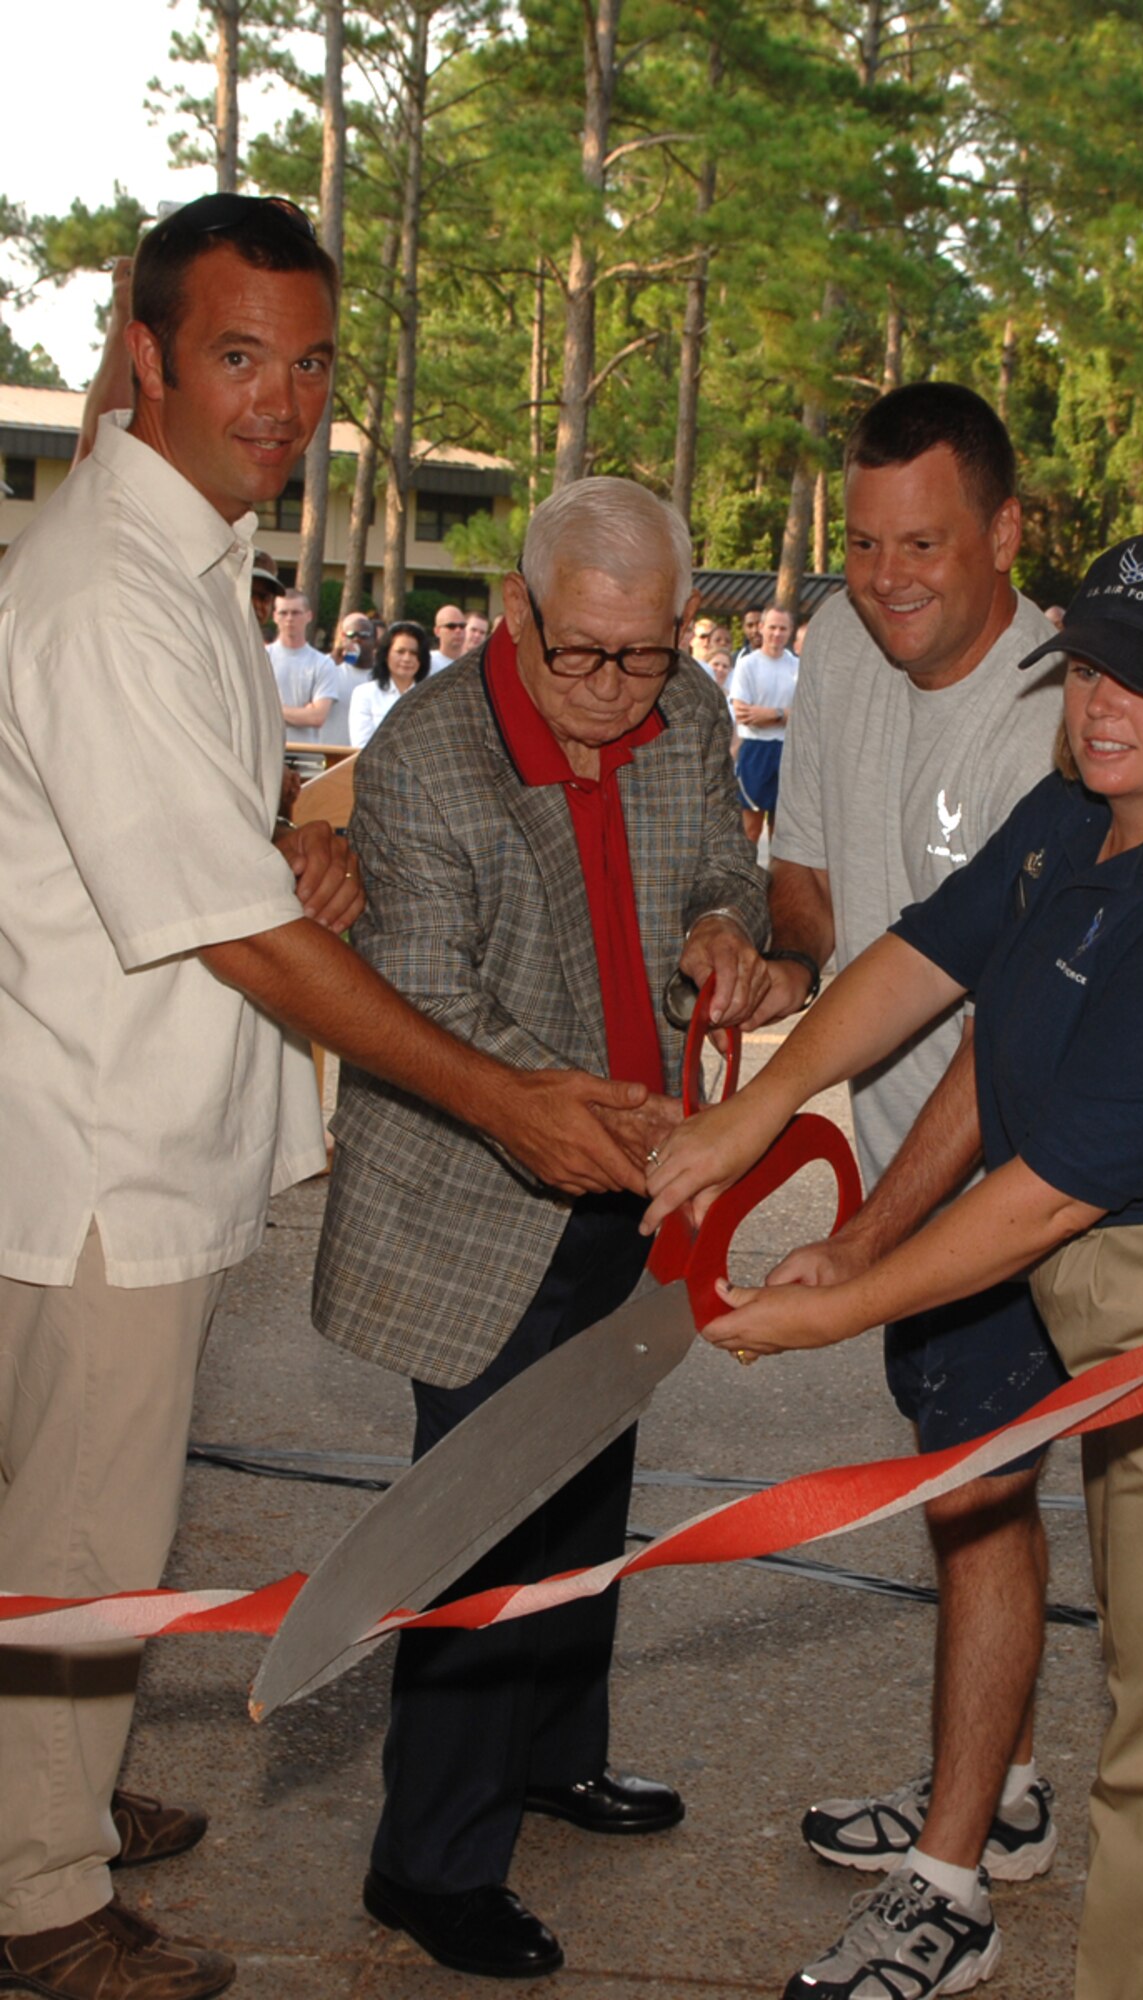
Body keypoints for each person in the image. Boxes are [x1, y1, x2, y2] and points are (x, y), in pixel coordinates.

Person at [0, 192, 660, 2000]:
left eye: (304, 364)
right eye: (235, 356)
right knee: (77, 1527)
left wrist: (298, 846)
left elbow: (202, 859)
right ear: (144, 355)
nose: (279, 402)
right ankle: (38, 1899)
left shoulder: (192, 557)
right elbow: (228, 937)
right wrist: (505, 1098)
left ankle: (42, 1789)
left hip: (122, 1133)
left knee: (81, 1519)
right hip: (90, 1162)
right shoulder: (107, 590)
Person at [646, 525, 1143, 2000]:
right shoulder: (1080, 815)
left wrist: (836, 1307)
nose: (1099, 707)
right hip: (1140, 1310)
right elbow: (926, 964)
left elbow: (1040, 1199)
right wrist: (760, 1109)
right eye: (1085, 669)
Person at [311, 476, 771, 1982]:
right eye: (581, 654)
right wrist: (584, 1108)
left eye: (645, 655)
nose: (613, 691)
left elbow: (724, 864)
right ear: (517, 610)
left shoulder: (684, 712)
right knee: (475, 1521)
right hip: (479, 1189)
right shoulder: (427, 760)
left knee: (588, 1480)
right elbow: (426, 1002)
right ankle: (427, 1868)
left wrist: (725, 928)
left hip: (632, 1180)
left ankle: (559, 1754)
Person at [744, 382, 1065, 1969]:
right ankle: (997, 1786)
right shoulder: (834, 647)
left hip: (1014, 1176)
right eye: (863, 545)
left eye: (923, 544)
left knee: (983, 1489)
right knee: (964, 1484)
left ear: (1005, 533)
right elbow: (815, 886)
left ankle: (948, 1888)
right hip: (897, 1159)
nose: (885, 579)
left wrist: (870, 1237)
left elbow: (997, 1021)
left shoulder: (1065, 707)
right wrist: (753, 950)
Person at [731, 604, 798, 840]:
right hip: (755, 750)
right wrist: (784, 715)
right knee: (750, 828)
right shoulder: (748, 664)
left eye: (782, 628)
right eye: (772, 627)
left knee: (781, 832)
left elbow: (805, 715)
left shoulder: (797, 666)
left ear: (790, 631)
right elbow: (744, 715)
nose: (777, 634)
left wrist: (772, 714)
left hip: (787, 750)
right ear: (761, 628)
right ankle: (746, 877)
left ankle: (776, 877)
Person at [268, 587, 338, 741]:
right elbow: (251, 709)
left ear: (309, 616)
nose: (289, 618)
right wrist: (302, 713)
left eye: (296, 612)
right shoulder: (261, 657)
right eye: (283, 613)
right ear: (274, 616)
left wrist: (269, 708)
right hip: (265, 750)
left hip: (306, 755)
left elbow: (317, 717)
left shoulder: (323, 663)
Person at [348, 618, 431, 747]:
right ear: (386, 655)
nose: (407, 658)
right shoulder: (365, 694)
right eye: (400, 652)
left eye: (414, 653)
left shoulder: (433, 697)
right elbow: (361, 746)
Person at [322, 610, 378, 746]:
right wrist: (330, 662)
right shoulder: (330, 669)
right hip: (331, 752)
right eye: (351, 634)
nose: (356, 639)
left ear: (375, 641)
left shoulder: (383, 676)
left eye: (364, 635)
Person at [430, 601, 468, 671]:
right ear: (437, 631)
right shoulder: (427, 663)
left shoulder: (473, 665)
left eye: (462, 626)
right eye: (451, 626)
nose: (458, 630)